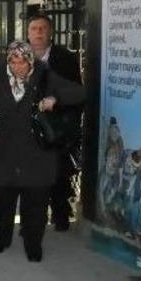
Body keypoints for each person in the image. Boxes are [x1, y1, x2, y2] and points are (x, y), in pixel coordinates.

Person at [0, 41, 85, 262]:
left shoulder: (45, 76)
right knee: (4, 201)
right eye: (13, 62)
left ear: (31, 61)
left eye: (23, 62)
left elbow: (79, 93)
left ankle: (33, 245)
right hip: (6, 150)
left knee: (35, 204)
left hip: (37, 153)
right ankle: (1, 239)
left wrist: (55, 99)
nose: (18, 67)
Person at [27, 14, 83, 231]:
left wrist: (57, 101)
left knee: (58, 174)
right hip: (28, 127)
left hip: (56, 128)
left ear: (50, 32)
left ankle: (60, 217)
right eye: (34, 28)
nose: (38, 32)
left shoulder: (65, 58)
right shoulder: (18, 56)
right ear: (28, 32)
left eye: (42, 28)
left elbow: (77, 91)